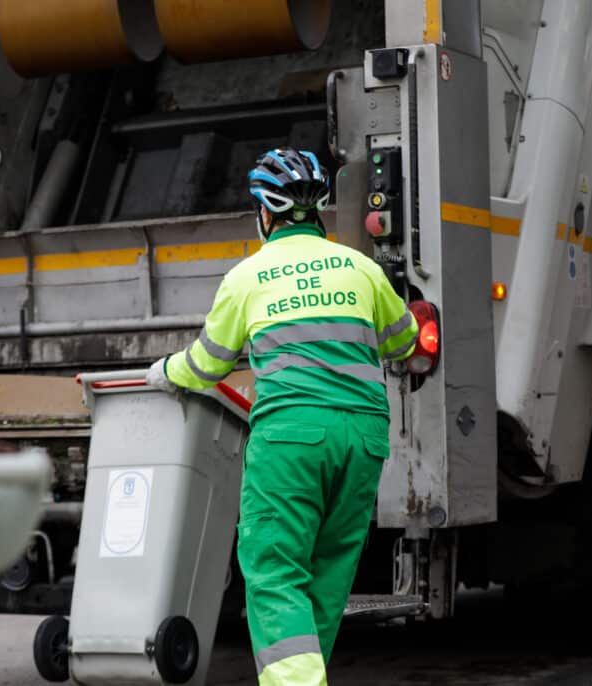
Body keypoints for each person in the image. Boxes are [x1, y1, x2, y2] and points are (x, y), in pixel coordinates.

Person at [146, 147, 420, 686]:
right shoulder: (361, 268)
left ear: (266, 213)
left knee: (274, 573)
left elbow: (207, 365)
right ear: (317, 212)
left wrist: (164, 372)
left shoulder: (247, 278)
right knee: (326, 577)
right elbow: (405, 341)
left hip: (292, 438)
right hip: (364, 440)